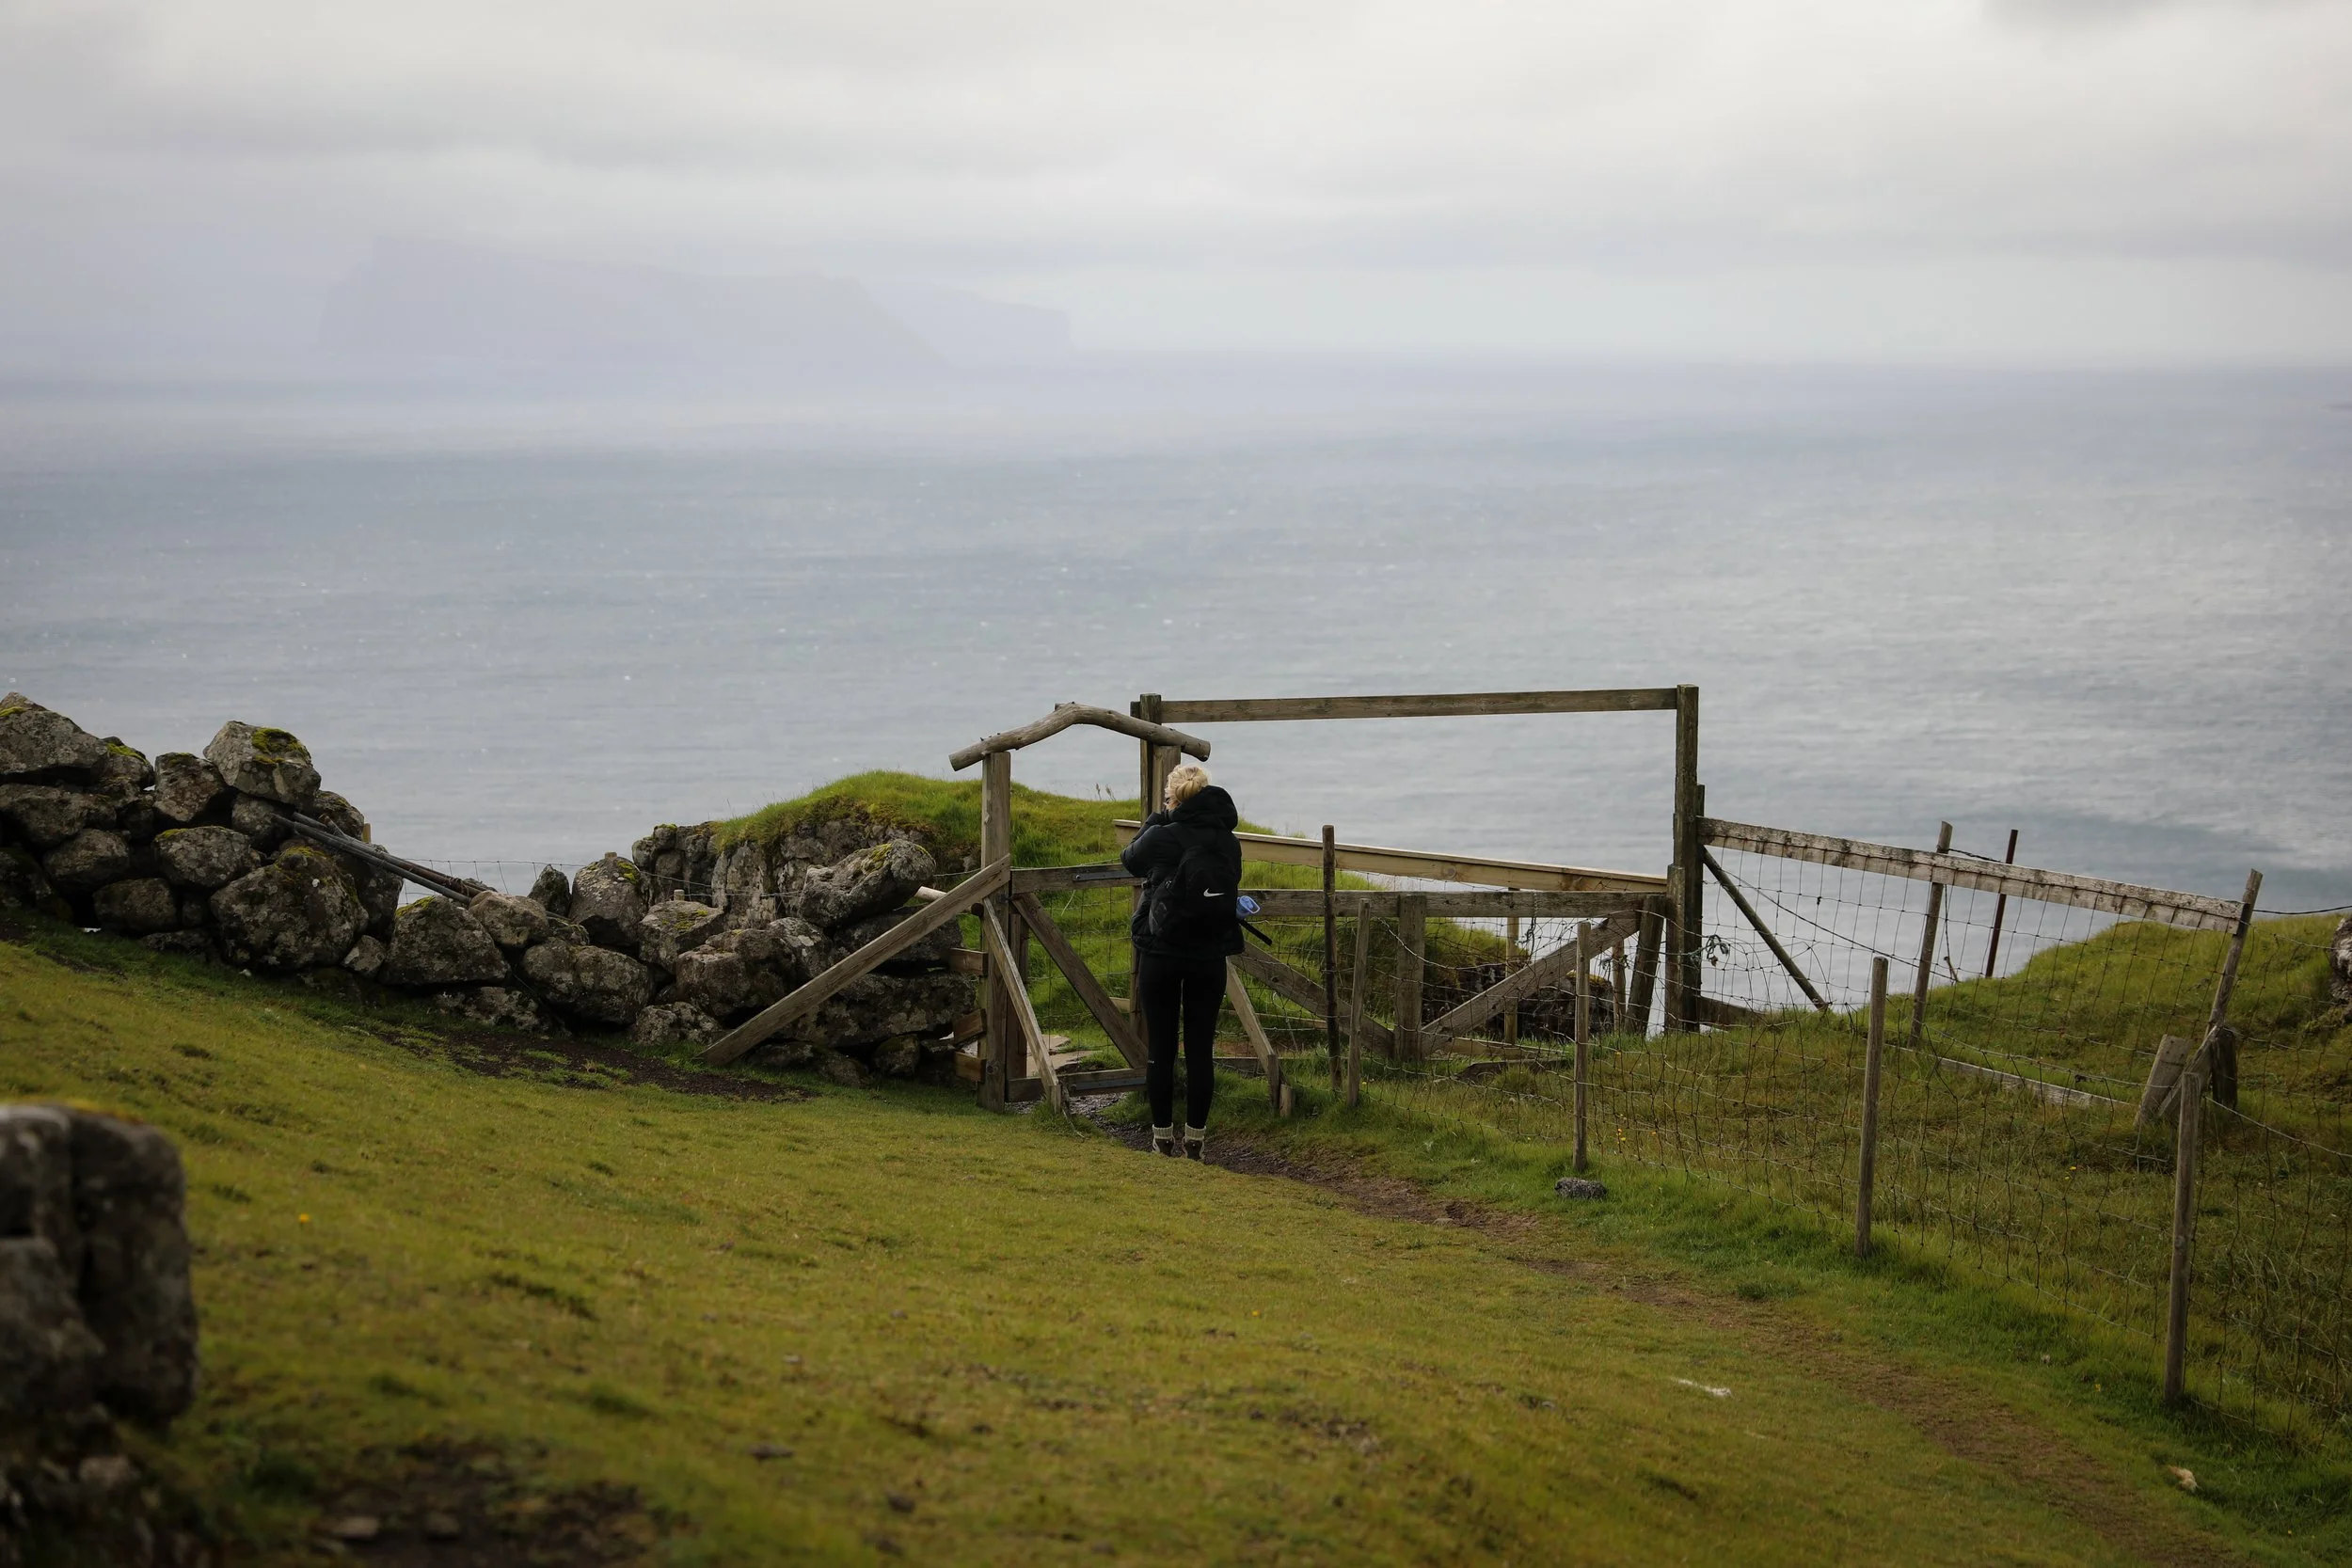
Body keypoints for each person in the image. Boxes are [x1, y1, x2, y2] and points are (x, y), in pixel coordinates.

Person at [1120, 761, 1244, 1160]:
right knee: (1201, 1049)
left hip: (1163, 952)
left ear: (1174, 798)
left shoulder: (1164, 835)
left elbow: (1130, 858)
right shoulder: (1228, 841)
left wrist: (1158, 817)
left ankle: (1160, 1138)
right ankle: (1196, 1141)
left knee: (1162, 1047)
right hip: (1210, 954)